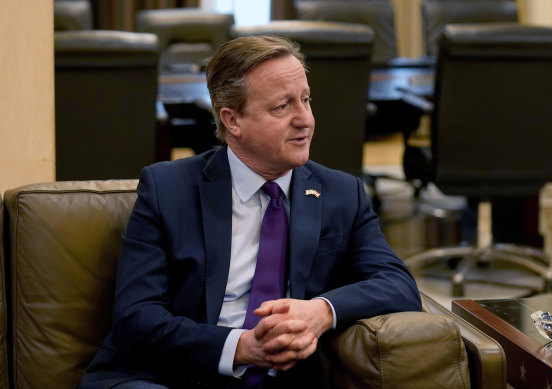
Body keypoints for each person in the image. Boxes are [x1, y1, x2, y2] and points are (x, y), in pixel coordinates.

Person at [79, 35, 422, 389]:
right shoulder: (167, 189)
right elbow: (137, 317)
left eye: (306, 100)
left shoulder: (340, 193)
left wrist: (321, 311)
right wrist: (240, 347)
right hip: (170, 376)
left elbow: (399, 286)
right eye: (282, 107)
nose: (305, 120)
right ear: (233, 121)